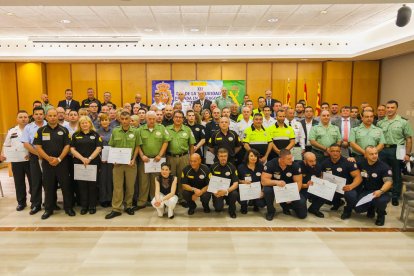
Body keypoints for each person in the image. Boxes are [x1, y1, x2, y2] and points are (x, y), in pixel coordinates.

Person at [33, 109, 74, 220]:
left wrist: (59, 159)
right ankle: (48, 209)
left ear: (58, 116)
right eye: (50, 115)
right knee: (49, 187)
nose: (52, 117)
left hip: (62, 163)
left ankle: (68, 208)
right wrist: (48, 159)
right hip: (47, 164)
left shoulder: (64, 130)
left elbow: (67, 146)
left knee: (66, 186)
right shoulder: (41, 130)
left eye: (54, 115)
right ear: (46, 117)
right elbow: (38, 147)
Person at [377, 100, 413, 206]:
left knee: (397, 173)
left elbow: (409, 139)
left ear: (396, 109)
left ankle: (395, 196)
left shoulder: (403, 122)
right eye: (387, 107)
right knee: (381, 172)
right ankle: (383, 192)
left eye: (392, 107)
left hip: (397, 149)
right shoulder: (380, 122)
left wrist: (407, 154)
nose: (389, 110)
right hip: (382, 150)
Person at [105, 111, 139, 219]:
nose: (124, 121)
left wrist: (133, 159)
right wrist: (113, 159)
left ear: (130, 120)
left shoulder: (136, 131)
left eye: (126, 119)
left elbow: (138, 146)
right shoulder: (115, 131)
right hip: (118, 164)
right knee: (117, 187)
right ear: (120, 119)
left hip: (130, 163)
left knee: (130, 186)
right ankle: (116, 208)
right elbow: (111, 146)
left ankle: (128, 206)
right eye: (122, 119)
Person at [261, 149, 307, 221]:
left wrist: (292, 196)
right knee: (267, 190)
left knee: (302, 215)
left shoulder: (295, 165)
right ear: (281, 159)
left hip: (289, 189)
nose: (291, 160)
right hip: (275, 187)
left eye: (291, 158)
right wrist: (276, 182)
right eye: (288, 159)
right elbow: (264, 181)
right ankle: (271, 211)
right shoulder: (271, 164)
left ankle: (287, 206)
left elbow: (299, 182)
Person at [136, 111, 170, 209]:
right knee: (143, 181)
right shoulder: (140, 129)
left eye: (153, 119)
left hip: (157, 160)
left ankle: (155, 200)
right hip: (145, 160)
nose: (152, 121)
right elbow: (138, 144)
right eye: (150, 119)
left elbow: (166, 142)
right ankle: (142, 202)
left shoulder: (162, 128)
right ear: (146, 119)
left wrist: (160, 154)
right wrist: (142, 155)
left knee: (156, 181)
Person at [70, 116, 102, 215]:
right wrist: (82, 159)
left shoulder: (95, 134)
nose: (84, 124)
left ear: (90, 124)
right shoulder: (75, 135)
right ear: (80, 124)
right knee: (82, 185)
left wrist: (89, 159)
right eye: (82, 123)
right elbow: (72, 149)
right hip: (79, 163)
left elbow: (99, 148)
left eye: (86, 122)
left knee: (92, 185)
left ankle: (92, 206)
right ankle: (84, 206)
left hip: (92, 163)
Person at [320, 144, 362, 219]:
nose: (335, 153)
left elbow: (358, 177)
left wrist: (351, 186)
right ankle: (337, 203)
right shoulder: (324, 163)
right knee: (317, 192)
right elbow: (321, 176)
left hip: (346, 188)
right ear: (329, 151)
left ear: (340, 152)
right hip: (332, 187)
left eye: (337, 151)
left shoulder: (348, 162)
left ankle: (347, 210)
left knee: (351, 195)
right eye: (332, 151)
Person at [1, 110, 31, 211]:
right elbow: (6, 145)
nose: (23, 119)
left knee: (33, 182)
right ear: (17, 119)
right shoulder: (12, 131)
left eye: (25, 117)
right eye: (21, 117)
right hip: (16, 161)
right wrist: (2, 154)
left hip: (30, 160)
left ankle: (35, 202)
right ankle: (21, 202)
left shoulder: (32, 129)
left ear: (28, 118)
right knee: (19, 182)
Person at [354, 146, 392, 226]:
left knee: (380, 201)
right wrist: (350, 159)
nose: (374, 156)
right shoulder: (361, 163)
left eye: (376, 153)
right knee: (358, 209)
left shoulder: (384, 167)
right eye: (371, 154)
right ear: (365, 155)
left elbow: (389, 182)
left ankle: (381, 215)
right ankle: (371, 208)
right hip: (367, 191)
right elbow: (353, 166)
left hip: (381, 192)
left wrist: (381, 191)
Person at [21, 106, 47, 215]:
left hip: (49, 158)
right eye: (36, 114)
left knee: (50, 181)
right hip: (35, 157)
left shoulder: (49, 125)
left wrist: (44, 156)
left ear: (44, 115)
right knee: (35, 181)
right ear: (33, 115)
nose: (39, 116)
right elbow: (26, 143)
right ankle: (36, 204)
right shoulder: (28, 127)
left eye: (41, 114)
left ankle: (51, 203)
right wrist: (39, 154)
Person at [166, 110, 195, 205]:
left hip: (184, 157)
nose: (178, 119)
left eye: (180, 117)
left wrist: (191, 158)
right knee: (170, 178)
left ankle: (182, 198)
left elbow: (191, 145)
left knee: (182, 178)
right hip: (170, 158)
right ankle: (170, 197)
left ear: (183, 119)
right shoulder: (167, 129)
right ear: (173, 118)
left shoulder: (187, 129)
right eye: (176, 117)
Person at [209, 148, 239, 218]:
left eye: (225, 156)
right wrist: (214, 192)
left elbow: (236, 184)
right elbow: (209, 182)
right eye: (221, 156)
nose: (223, 158)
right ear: (218, 157)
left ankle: (232, 210)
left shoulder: (232, 167)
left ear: (227, 156)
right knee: (218, 209)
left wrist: (226, 191)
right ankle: (217, 203)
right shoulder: (213, 167)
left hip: (228, 191)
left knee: (235, 193)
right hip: (217, 192)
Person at [237, 149, 265, 214]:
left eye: (255, 156)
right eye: (251, 156)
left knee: (261, 204)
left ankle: (255, 204)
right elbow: (236, 180)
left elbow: (265, 180)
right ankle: (243, 205)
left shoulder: (261, 167)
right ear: (247, 157)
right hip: (245, 191)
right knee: (237, 194)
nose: (254, 158)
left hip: (258, 190)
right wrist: (242, 181)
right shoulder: (241, 167)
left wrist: (263, 191)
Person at [299, 152, 325, 218]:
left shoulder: (317, 165)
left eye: (315, 160)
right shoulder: (297, 166)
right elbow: (294, 184)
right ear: (304, 160)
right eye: (311, 161)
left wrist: (320, 182)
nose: (314, 163)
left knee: (326, 193)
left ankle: (314, 209)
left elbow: (320, 177)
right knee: (302, 214)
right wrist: (306, 185)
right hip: (301, 188)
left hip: (313, 187)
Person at [96, 114, 113, 207]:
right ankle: (103, 199)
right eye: (102, 120)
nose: (104, 122)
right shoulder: (97, 132)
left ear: (109, 121)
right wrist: (100, 157)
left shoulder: (114, 132)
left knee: (110, 179)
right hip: (101, 159)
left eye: (106, 120)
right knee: (102, 180)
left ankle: (110, 198)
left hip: (112, 159)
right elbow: (95, 146)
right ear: (100, 122)